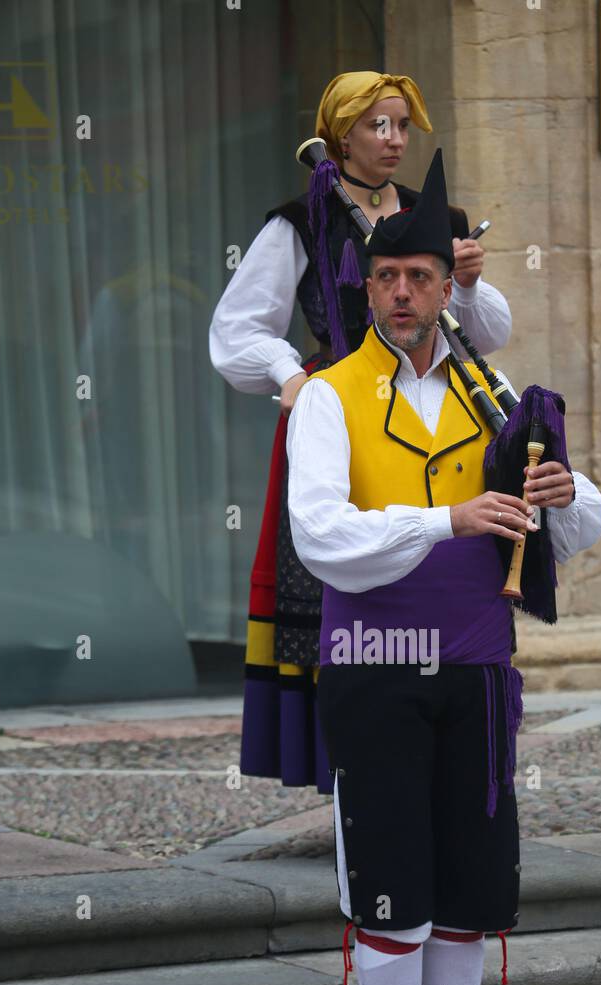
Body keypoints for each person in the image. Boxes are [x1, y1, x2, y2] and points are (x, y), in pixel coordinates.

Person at [287, 149, 601, 985]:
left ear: (445, 285)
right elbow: (321, 536)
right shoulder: (331, 397)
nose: (402, 292)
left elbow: (589, 521)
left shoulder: (488, 386)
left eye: (421, 275)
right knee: (393, 903)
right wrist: (446, 517)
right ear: (365, 287)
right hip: (375, 669)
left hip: (474, 671)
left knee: (466, 902)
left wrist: (557, 495)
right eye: (385, 278)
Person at [209, 71, 513, 793]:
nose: (395, 139)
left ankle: (440, 738)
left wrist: (466, 280)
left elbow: (487, 334)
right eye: (379, 125)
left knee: (441, 561)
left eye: (402, 126)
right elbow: (236, 326)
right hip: (340, 412)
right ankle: (351, 769)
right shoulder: (301, 217)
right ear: (341, 134)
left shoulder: (435, 215)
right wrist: (291, 376)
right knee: (338, 580)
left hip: (432, 407)